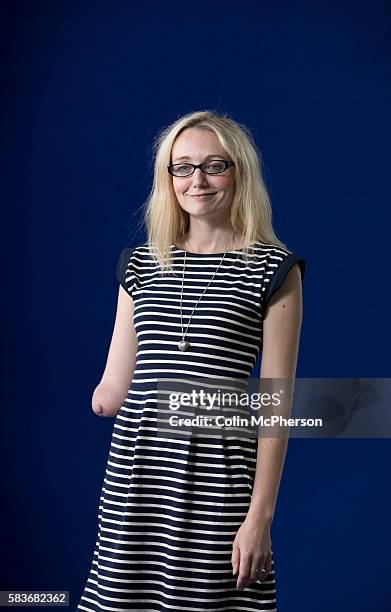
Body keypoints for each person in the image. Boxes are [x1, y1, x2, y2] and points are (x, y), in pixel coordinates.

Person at [77, 110, 306, 611]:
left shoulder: (274, 268)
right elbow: (113, 389)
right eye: (181, 168)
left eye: (213, 165)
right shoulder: (139, 264)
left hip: (218, 482)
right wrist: (103, 399)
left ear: (239, 173)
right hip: (138, 482)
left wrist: (259, 517)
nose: (196, 180)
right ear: (168, 179)